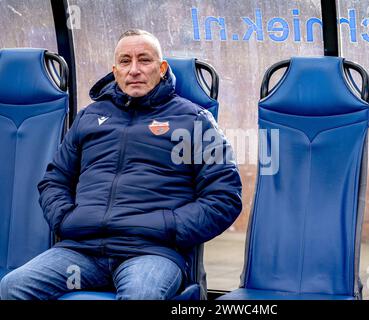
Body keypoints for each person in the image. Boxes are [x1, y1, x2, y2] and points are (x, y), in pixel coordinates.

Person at [0, 29, 242, 300]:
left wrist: (169, 225)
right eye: (125, 61)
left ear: (162, 68)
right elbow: (54, 180)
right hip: (81, 251)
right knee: (12, 287)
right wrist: (66, 218)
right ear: (115, 70)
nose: (134, 70)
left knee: (141, 295)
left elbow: (224, 198)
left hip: (151, 253)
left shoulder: (194, 120)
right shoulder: (89, 117)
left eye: (144, 60)